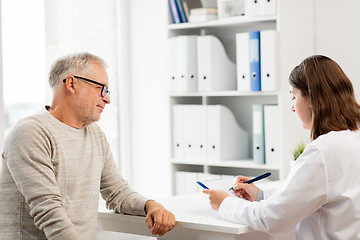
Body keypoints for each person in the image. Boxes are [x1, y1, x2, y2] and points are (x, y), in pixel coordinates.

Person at [0, 52, 176, 239]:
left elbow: (117, 192)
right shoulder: (31, 133)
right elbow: (49, 212)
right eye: (102, 89)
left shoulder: (95, 135)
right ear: (71, 83)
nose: (107, 99)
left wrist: (150, 205)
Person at [203, 55, 360, 239]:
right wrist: (261, 194)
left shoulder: (322, 152)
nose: (292, 107)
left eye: (293, 96)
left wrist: (224, 203)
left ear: (311, 98)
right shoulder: (352, 139)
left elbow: (272, 218)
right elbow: (321, 194)